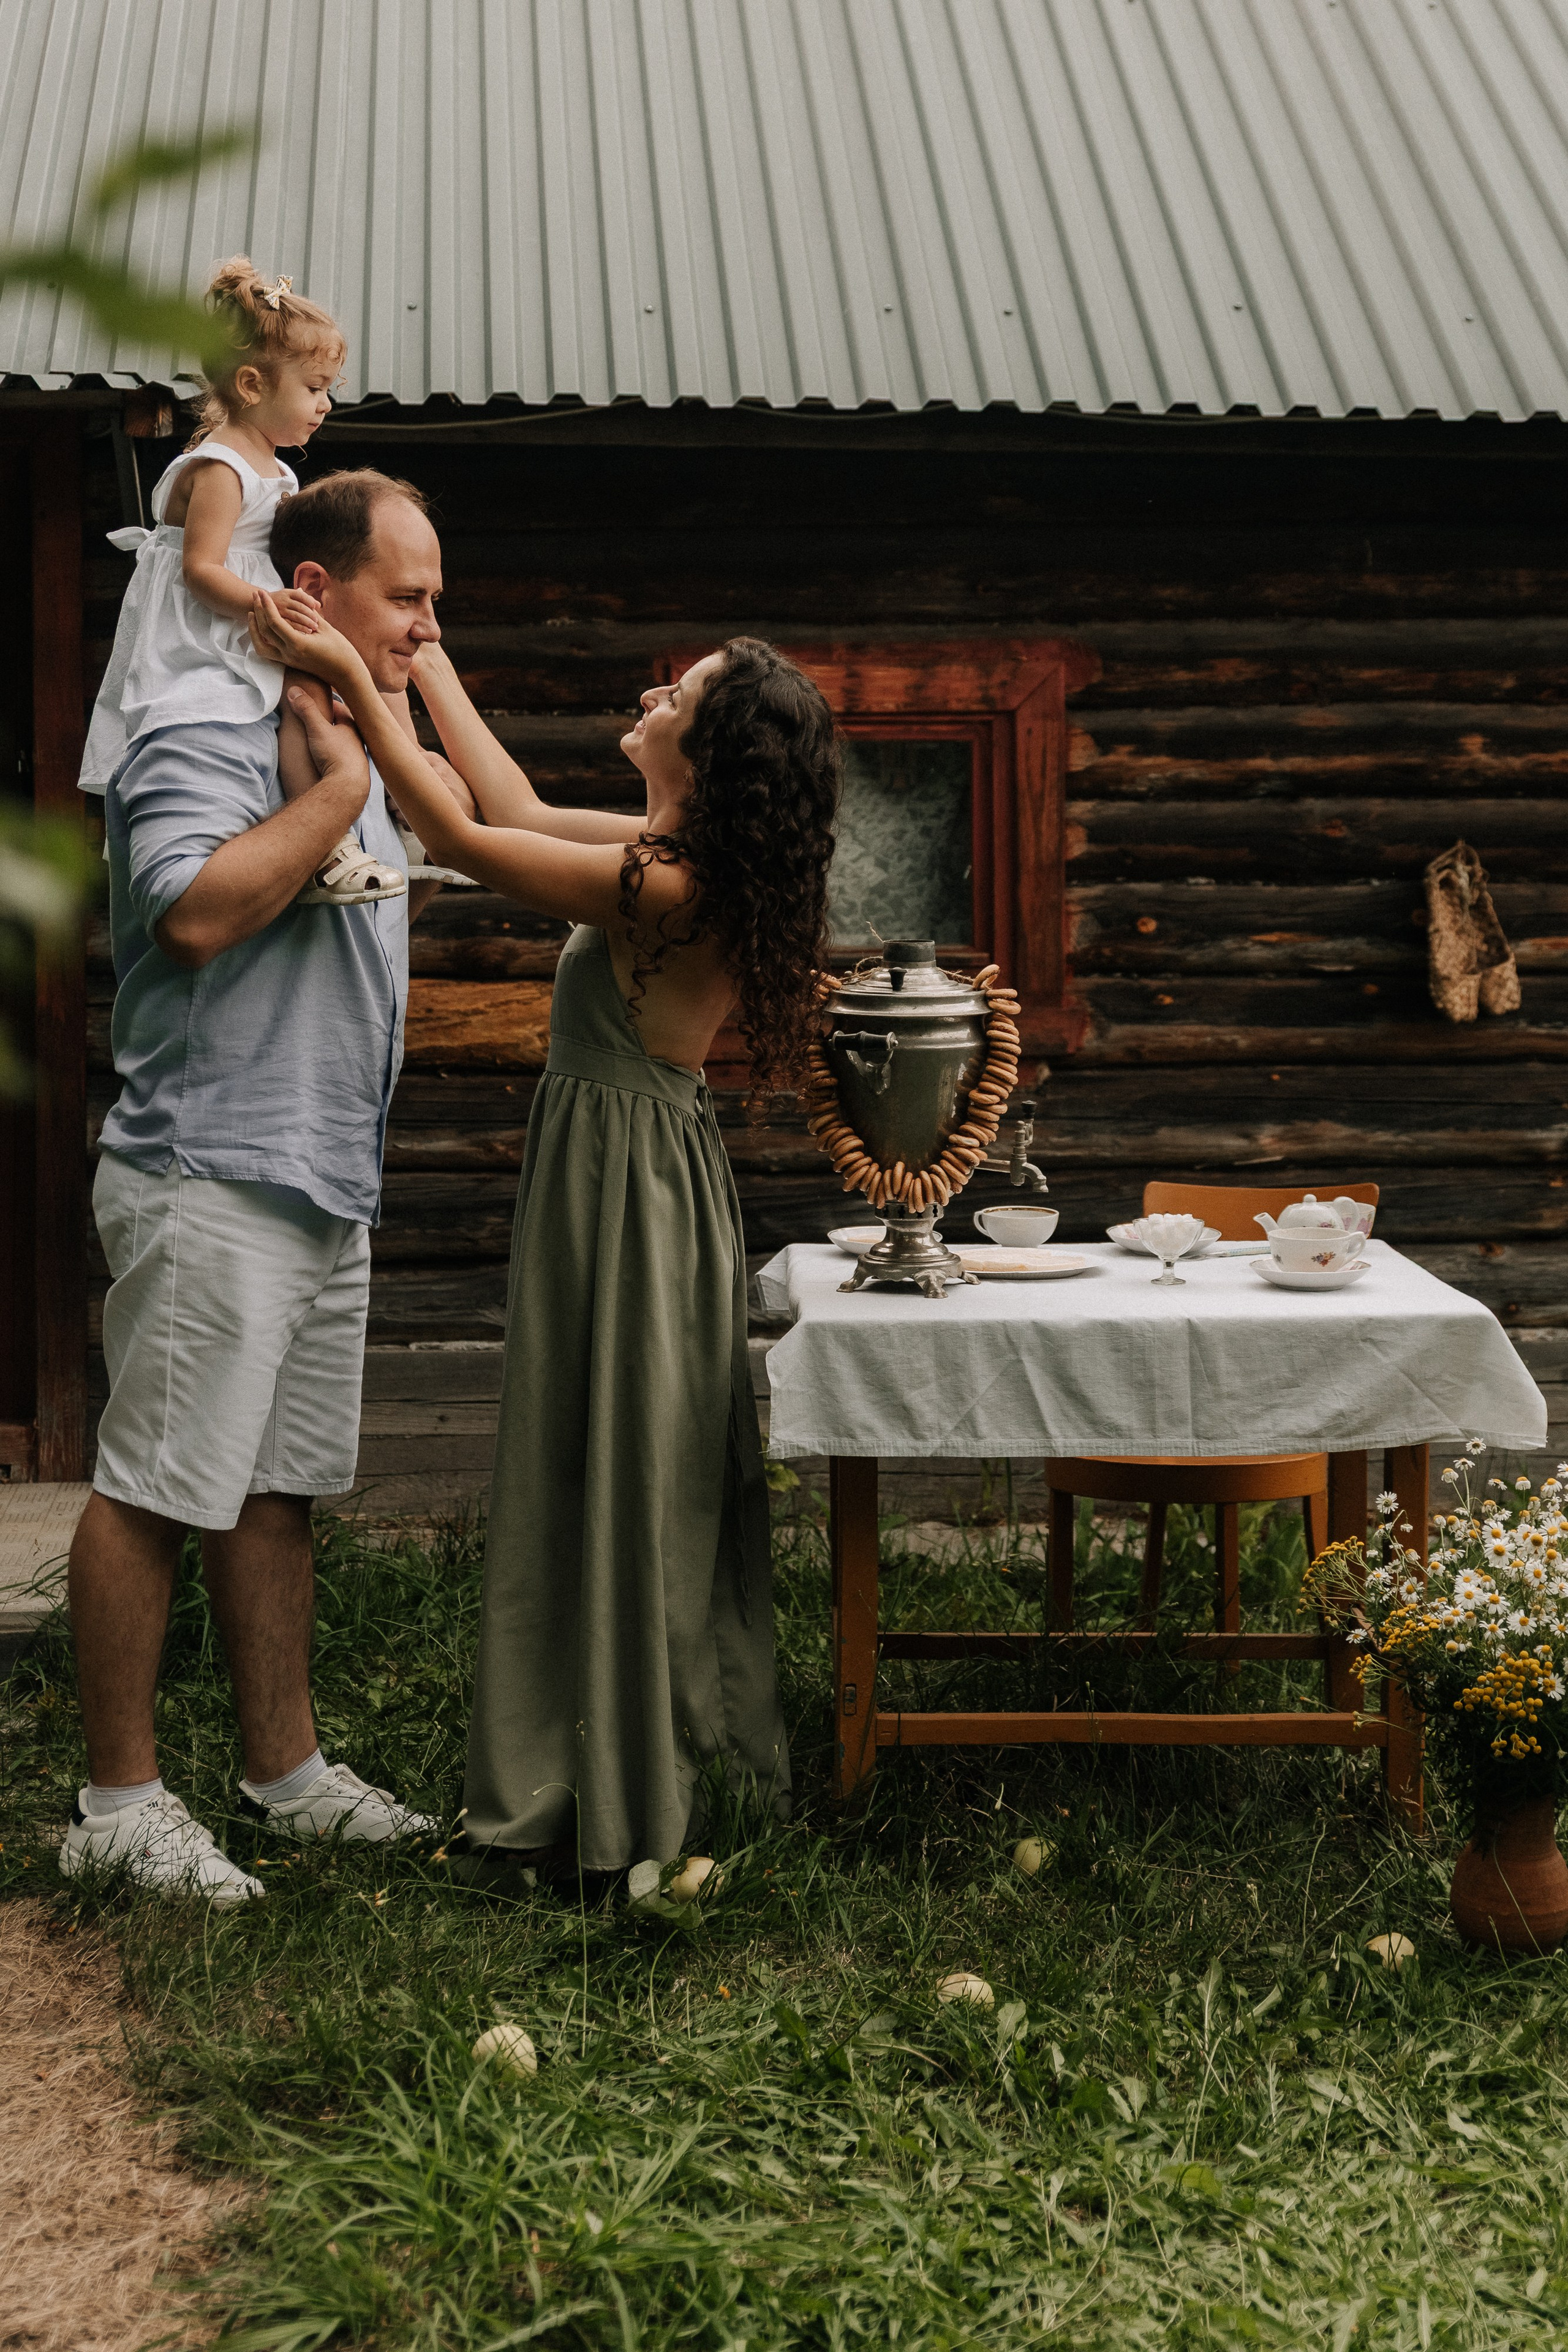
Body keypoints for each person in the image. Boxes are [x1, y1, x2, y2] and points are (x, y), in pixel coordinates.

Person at [249, 592, 840, 1879]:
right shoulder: (663, 855)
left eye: (675, 696)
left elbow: (454, 832)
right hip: (626, 1170)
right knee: (610, 1451)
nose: (651, 698)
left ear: (710, 750)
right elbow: (508, 808)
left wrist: (355, 667)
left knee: (617, 1455)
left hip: (626, 1184)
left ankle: (619, 1776)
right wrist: (429, 662)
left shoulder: (668, 884)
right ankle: (615, 1745)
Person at [62, 469, 473, 1904]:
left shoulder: (353, 719)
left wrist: (369, 742)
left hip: (318, 1171)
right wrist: (345, 789)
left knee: (274, 1493)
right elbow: (190, 911)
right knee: (156, 1487)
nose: (429, 622)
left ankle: (282, 1773)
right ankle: (115, 1799)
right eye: (406, 595)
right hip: (210, 1166)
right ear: (312, 592)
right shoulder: (198, 725)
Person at [80, 255, 404, 904]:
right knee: (290, 692)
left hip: (251, 611)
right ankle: (323, 842)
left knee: (306, 694)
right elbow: (201, 570)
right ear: (253, 385)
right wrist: (268, 603)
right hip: (210, 623)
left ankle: (336, 830)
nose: (326, 402)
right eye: (314, 386)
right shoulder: (222, 467)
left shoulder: (277, 470)